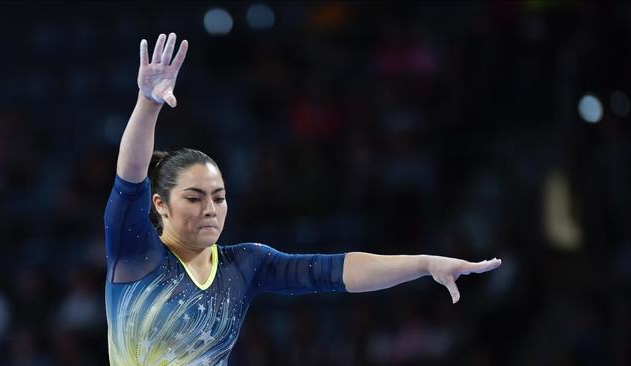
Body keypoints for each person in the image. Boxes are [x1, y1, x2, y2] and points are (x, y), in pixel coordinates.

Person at [103, 32, 502, 366]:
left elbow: (338, 271)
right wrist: (148, 104)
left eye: (219, 197)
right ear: (159, 204)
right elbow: (129, 180)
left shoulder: (244, 265)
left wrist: (425, 263)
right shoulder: (136, 254)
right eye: (194, 198)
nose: (210, 208)